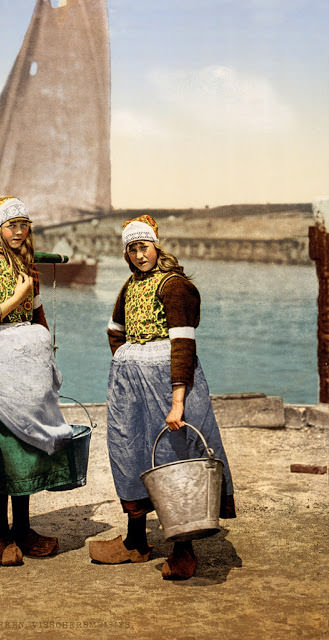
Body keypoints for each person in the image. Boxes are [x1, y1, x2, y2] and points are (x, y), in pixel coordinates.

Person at [89, 215, 236, 580]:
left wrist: (178, 400)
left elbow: (183, 345)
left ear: (157, 245)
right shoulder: (129, 286)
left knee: (177, 456)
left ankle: (184, 548)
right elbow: (115, 330)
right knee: (130, 452)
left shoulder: (174, 286)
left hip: (170, 382)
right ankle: (136, 542)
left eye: (144, 247)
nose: (140, 256)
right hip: (131, 387)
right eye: (132, 249)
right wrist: (128, 363)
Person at [0, 196, 74, 566]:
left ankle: (23, 529)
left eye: (24, 225)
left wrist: (46, 364)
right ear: (0, 229)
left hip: (23, 373)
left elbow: (37, 317)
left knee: (25, 448)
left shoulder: (30, 270)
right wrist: (17, 297)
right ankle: (0, 535)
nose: (18, 231)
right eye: (12, 225)